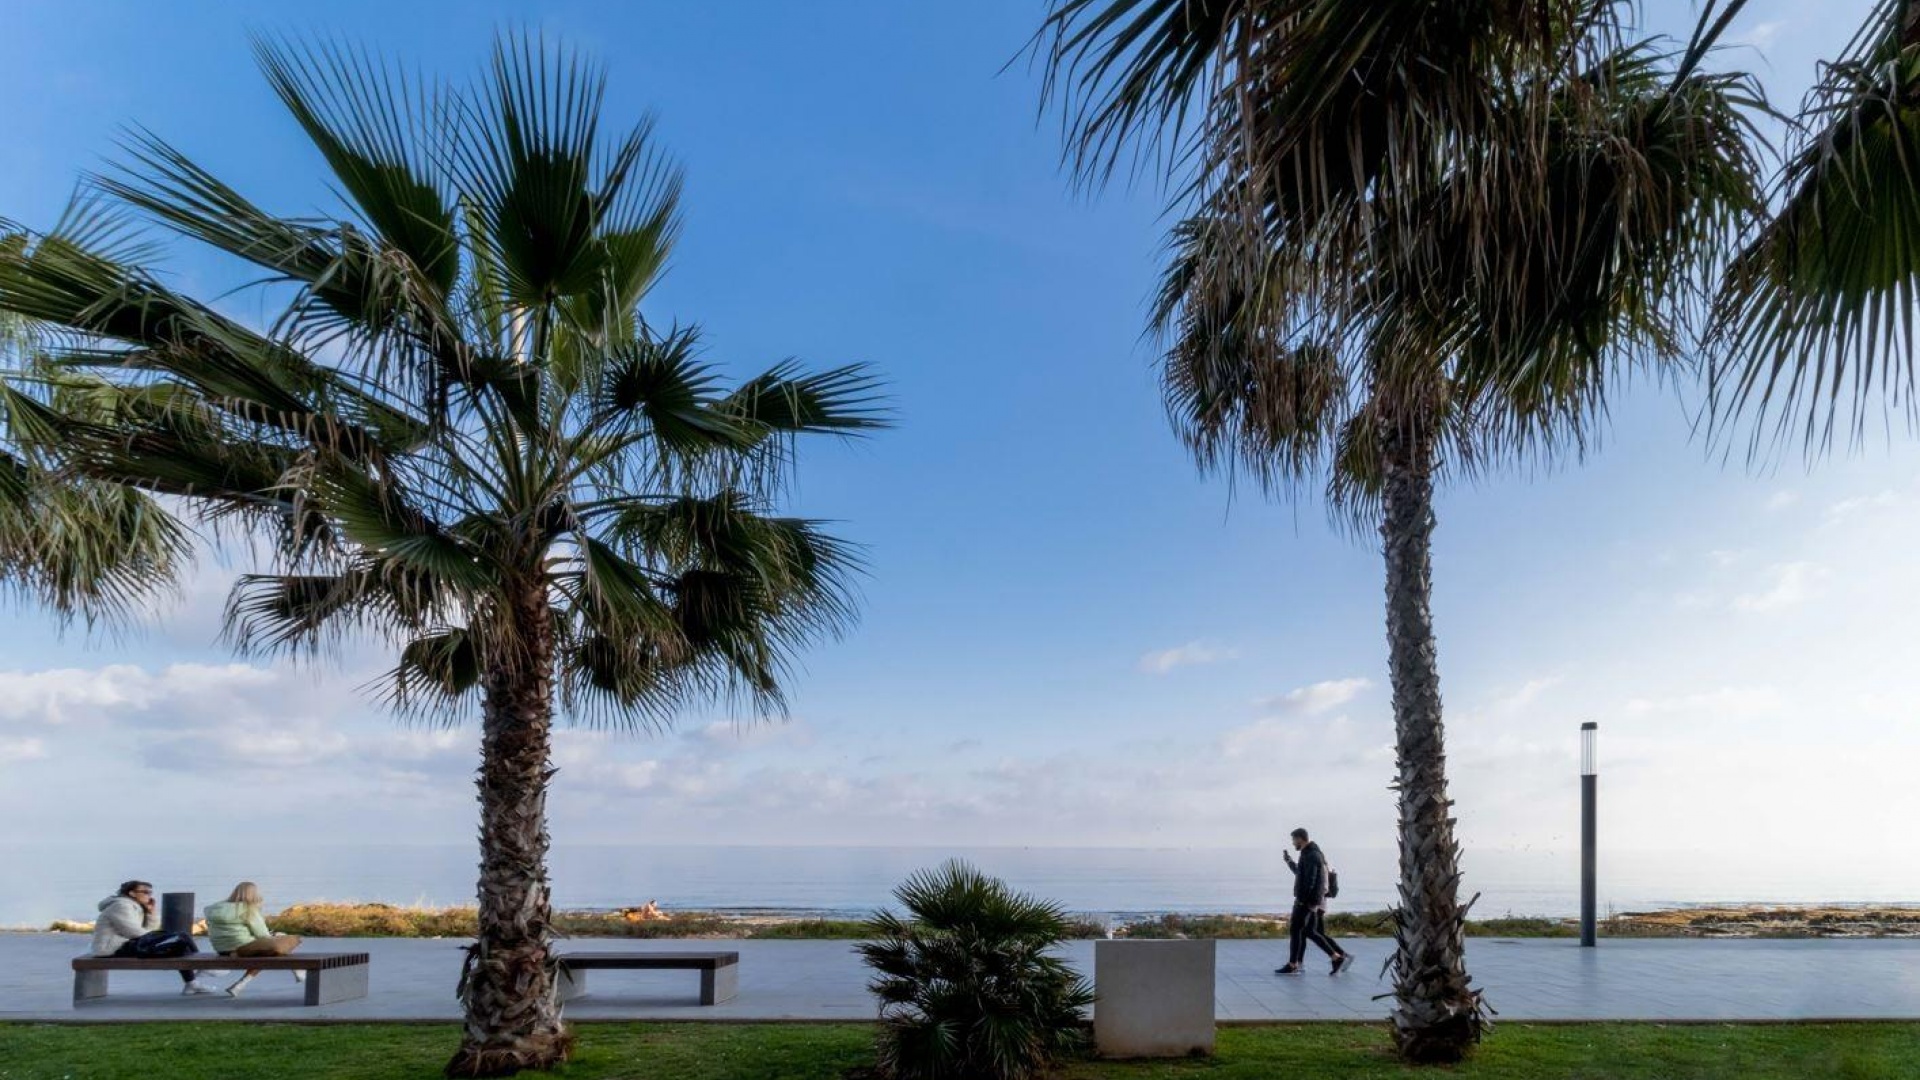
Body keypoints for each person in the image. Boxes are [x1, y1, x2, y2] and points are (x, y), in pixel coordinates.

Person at [90, 880, 221, 995]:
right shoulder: (121, 905)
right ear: (132, 893)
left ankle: (192, 984)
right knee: (181, 936)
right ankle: (201, 968)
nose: (149, 895)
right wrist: (159, 937)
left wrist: (151, 912)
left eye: (150, 892)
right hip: (112, 949)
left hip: (126, 944)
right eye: (145, 892)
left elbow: (146, 931)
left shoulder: (133, 906)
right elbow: (133, 932)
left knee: (179, 945)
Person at [1275, 827, 1353, 976]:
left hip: (1306, 901)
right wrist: (1289, 862)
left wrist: (1302, 901)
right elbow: (1301, 873)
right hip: (1313, 900)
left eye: (1294, 840)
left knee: (1295, 930)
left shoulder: (1310, 855)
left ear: (1300, 838)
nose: (1293, 843)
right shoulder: (1312, 853)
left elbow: (1310, 881)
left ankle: (1293, 964)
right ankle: (1336, 958)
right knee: (1309, 931)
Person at [204, 882, 304, 997]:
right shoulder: (248, 909)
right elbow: (262, 935)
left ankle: (240, 985)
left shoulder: (215, 909)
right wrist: (276, 935)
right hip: (242, 948)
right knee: (291, 939)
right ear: (253, 894)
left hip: (222, 949)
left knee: (266, 953)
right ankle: (297, 969)